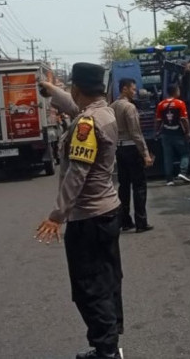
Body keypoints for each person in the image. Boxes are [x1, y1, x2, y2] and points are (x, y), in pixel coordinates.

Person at [35, 63, 123, 359]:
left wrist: (56, 215)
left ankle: (106, 351)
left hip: (88, 218)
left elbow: (77, 173)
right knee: (107, 280)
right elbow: (75, 107)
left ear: (77, 88)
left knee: (89, 287)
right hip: (108, 211)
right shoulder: (104, 112)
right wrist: (50, 90)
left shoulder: (87, 123)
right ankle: (108, 343)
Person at [110, 78, 154, 233]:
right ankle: (141, 222)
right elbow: (136, 133)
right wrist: (146, 154)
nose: (134, 92)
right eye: (133, 89)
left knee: (124, 186)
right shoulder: (129, 107)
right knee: (139, 186)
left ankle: (125, 221)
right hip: (132, 149)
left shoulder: (112, 107)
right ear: (124, 89)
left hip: (119, 149)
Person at [155, 84, 190, 186]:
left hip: (165, 133)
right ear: (176, 91)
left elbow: (158, 120)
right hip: (178, 133)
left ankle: (169, 180)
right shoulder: (180, 103)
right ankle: (183, 172)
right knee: (185, 153)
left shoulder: (161, 104)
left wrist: (157, 131)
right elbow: (184, 119)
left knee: (168, 156)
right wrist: (188, 132)